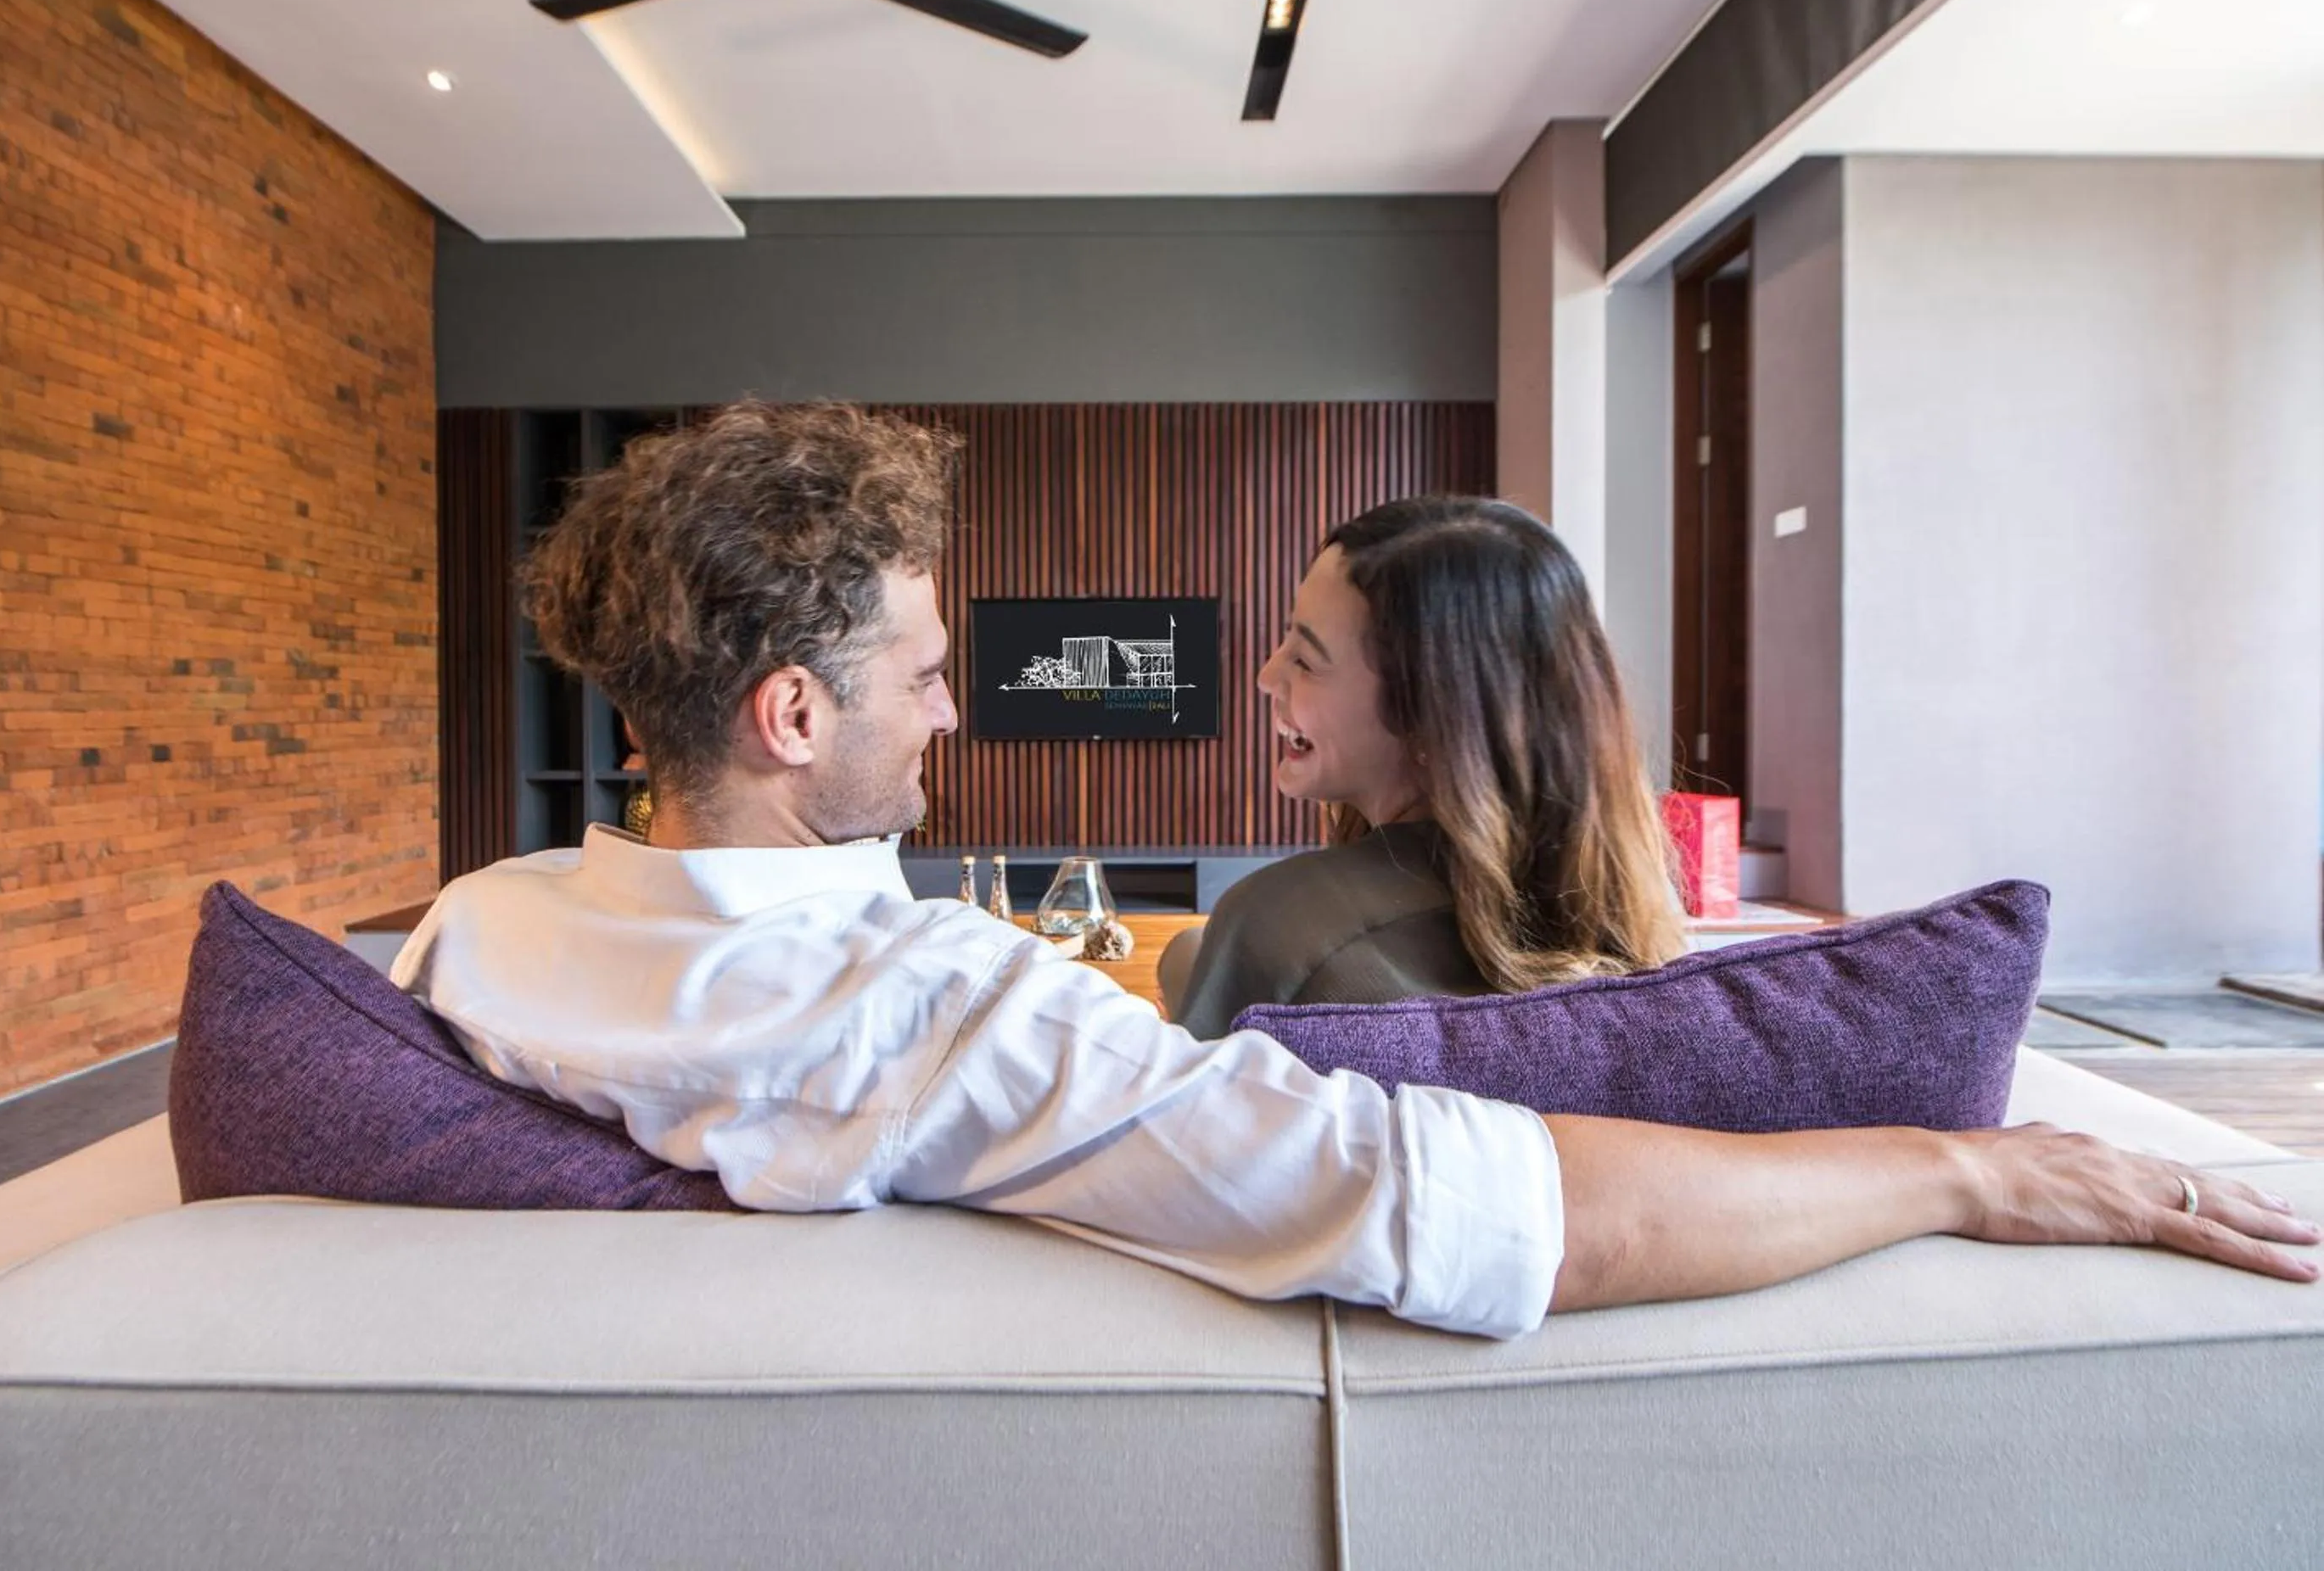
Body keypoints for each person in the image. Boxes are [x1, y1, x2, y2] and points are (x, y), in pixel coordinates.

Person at [392, 400, 2316, 1342]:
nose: (959, 706)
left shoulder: (472, 931)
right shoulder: (954, 1011)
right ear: (796, 716)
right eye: (921, 672)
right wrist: (1968, 1161)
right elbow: (1459, 1204)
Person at [1166, 496, 1684, 1040]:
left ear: (1431, 718)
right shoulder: (1645, 927)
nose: (1267, 676)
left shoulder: (1276, 925)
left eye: (1305, 659)